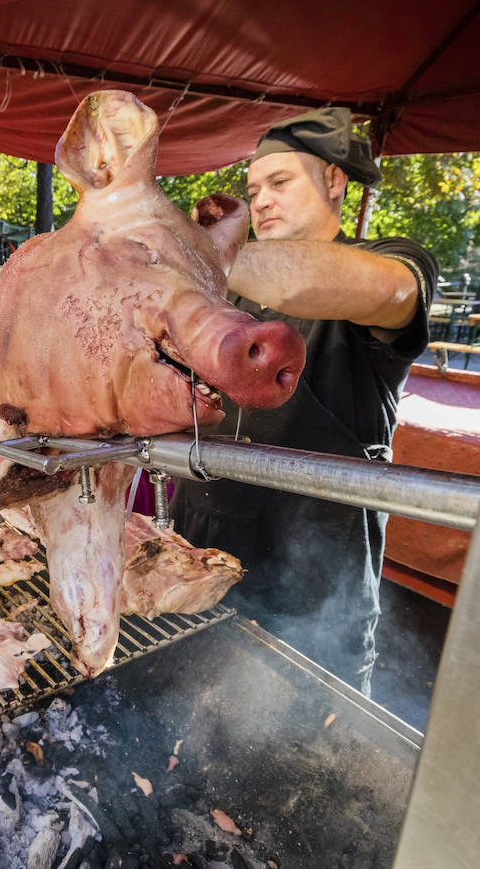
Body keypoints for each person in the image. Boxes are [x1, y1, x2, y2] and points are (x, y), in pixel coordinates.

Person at [171, 108, 439, 696]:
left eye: (280, 182)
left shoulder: (392, 262)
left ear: (334, 180)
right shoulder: (227, 296)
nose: (260, 201)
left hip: (316, 576)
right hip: (206, 550)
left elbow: (368, 288)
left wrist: (197, 254)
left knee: (308, 753)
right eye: (252, 190)